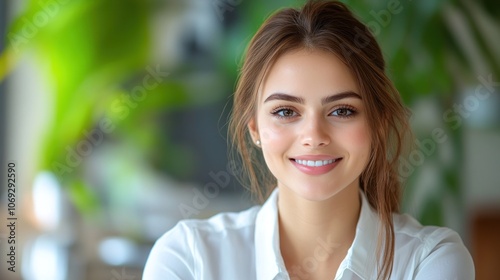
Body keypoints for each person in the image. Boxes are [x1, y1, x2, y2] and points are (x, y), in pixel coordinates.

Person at [143, 0, 475, 279]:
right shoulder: (189, 259)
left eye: (342, 111)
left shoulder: (429, 261)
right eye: (286, 112)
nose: (314, 136)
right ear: (254, 127)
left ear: (378, 123)